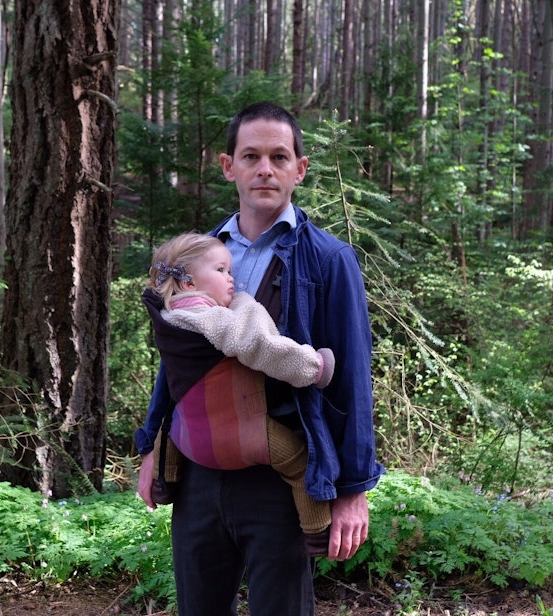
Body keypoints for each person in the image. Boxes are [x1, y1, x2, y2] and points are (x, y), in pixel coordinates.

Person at [135, 101, 384, 615]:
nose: (265, 168)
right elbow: (176, 357)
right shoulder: (196, 257)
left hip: (280, 473)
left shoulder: (329, 259)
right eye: (251, 156)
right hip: (199, 471)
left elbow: (352, 377)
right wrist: (152, 448)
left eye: (278, 156)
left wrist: (353, 488)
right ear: (229, 166)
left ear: (300, 168)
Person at [140, 232, 335, 554]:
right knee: (300, 462)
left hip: (187, 438)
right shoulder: (212, 319)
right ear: (189, 283)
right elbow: (257, 345)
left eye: (230, 270)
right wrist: (313, 367)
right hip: (242, 434)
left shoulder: (169, 314)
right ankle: (316, 532)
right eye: (221, 271)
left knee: (173, 421)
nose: (231, 278)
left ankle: (165, 481)